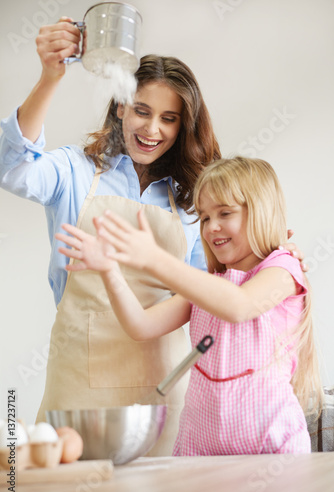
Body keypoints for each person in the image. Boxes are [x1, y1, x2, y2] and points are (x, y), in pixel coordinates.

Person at [0, 18, 305, 455]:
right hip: (78, 384)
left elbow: (216, 290)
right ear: (121, 106)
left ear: (183, 126)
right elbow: (11, 167)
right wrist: (50, 77)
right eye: (141, 111)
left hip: (166, 390)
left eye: (169, 119)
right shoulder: (75, 171)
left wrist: (272, 251)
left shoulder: (194, 200)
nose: (152, 129)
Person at [56, 156, 323, 455]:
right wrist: (109, 270)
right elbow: (141, 326)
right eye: (206, 218)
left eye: (225, 213)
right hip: (201, 450)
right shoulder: (209, 285)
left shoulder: (283, 269)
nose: (212, 228)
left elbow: (240, 306)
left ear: (261, 212)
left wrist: (156, 260)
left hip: (271, 452)